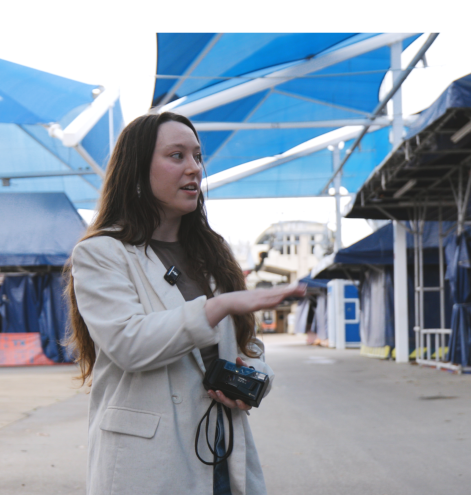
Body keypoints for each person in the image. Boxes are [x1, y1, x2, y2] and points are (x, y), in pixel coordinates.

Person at [66, 112, 304, 495]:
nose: (194, 168)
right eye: (176, 156)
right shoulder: (101, 253)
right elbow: (129, 344)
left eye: (197, 156)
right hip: (149, 464)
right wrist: (217, 307)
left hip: (221, 451)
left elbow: (248, 345)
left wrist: (252, 380)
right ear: (137, 170)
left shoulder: (213, 251)